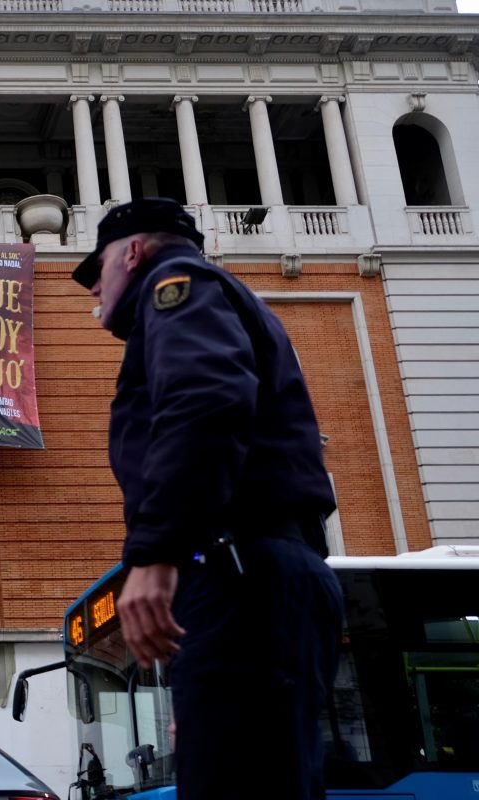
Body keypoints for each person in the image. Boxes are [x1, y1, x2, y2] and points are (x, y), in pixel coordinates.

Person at [71, 197, 344, 800]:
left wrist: (155, 554)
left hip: (238, 570)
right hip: (257, 572)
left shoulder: (177, 285)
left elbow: (203, 402)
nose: (95, 292)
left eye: (101, 269)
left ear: (134, 253)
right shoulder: (215, 296)